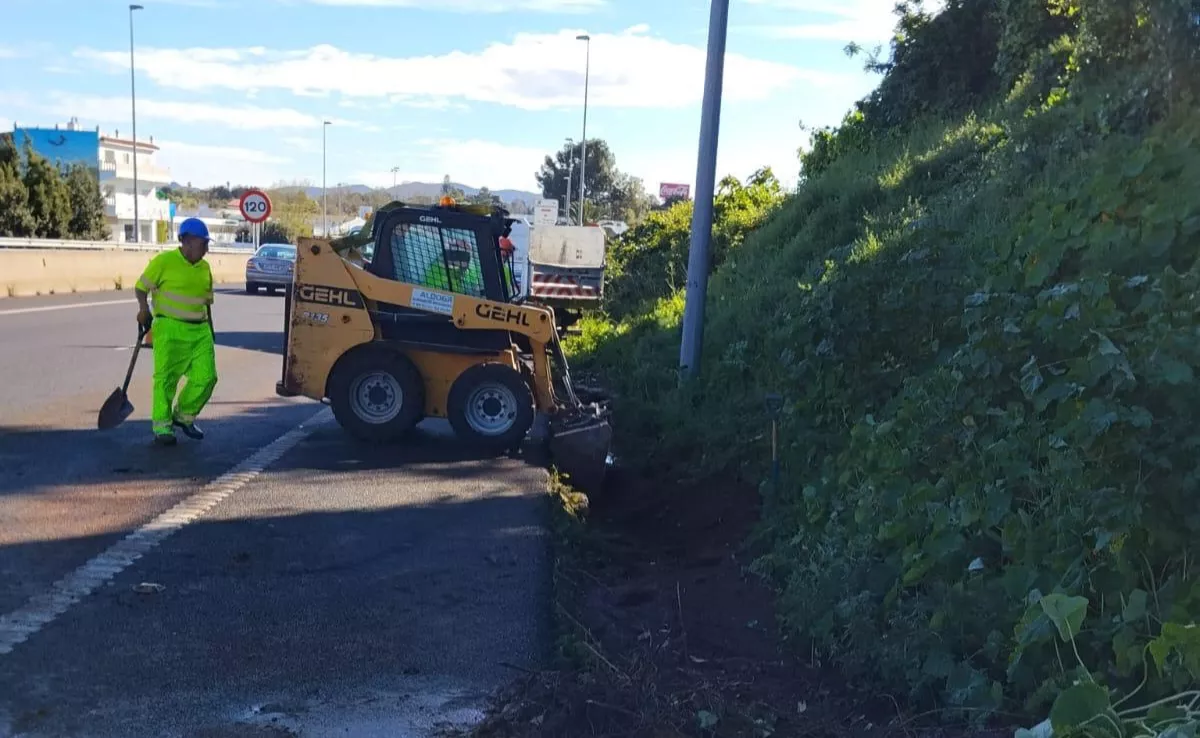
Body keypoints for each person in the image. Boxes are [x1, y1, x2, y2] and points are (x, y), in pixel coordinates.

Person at [134, 217, 217, 446]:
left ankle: (183, 416)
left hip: (200, 331)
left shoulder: (205, 268)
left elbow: (206, 303)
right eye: (203, 244)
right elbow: (140, 288)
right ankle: (162, 427)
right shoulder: (164, 261)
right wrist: (143, 310)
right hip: (169, 328)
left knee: (207, 377)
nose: (206, 249)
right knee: (166, 379)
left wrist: (211, 329)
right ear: (187, 242)